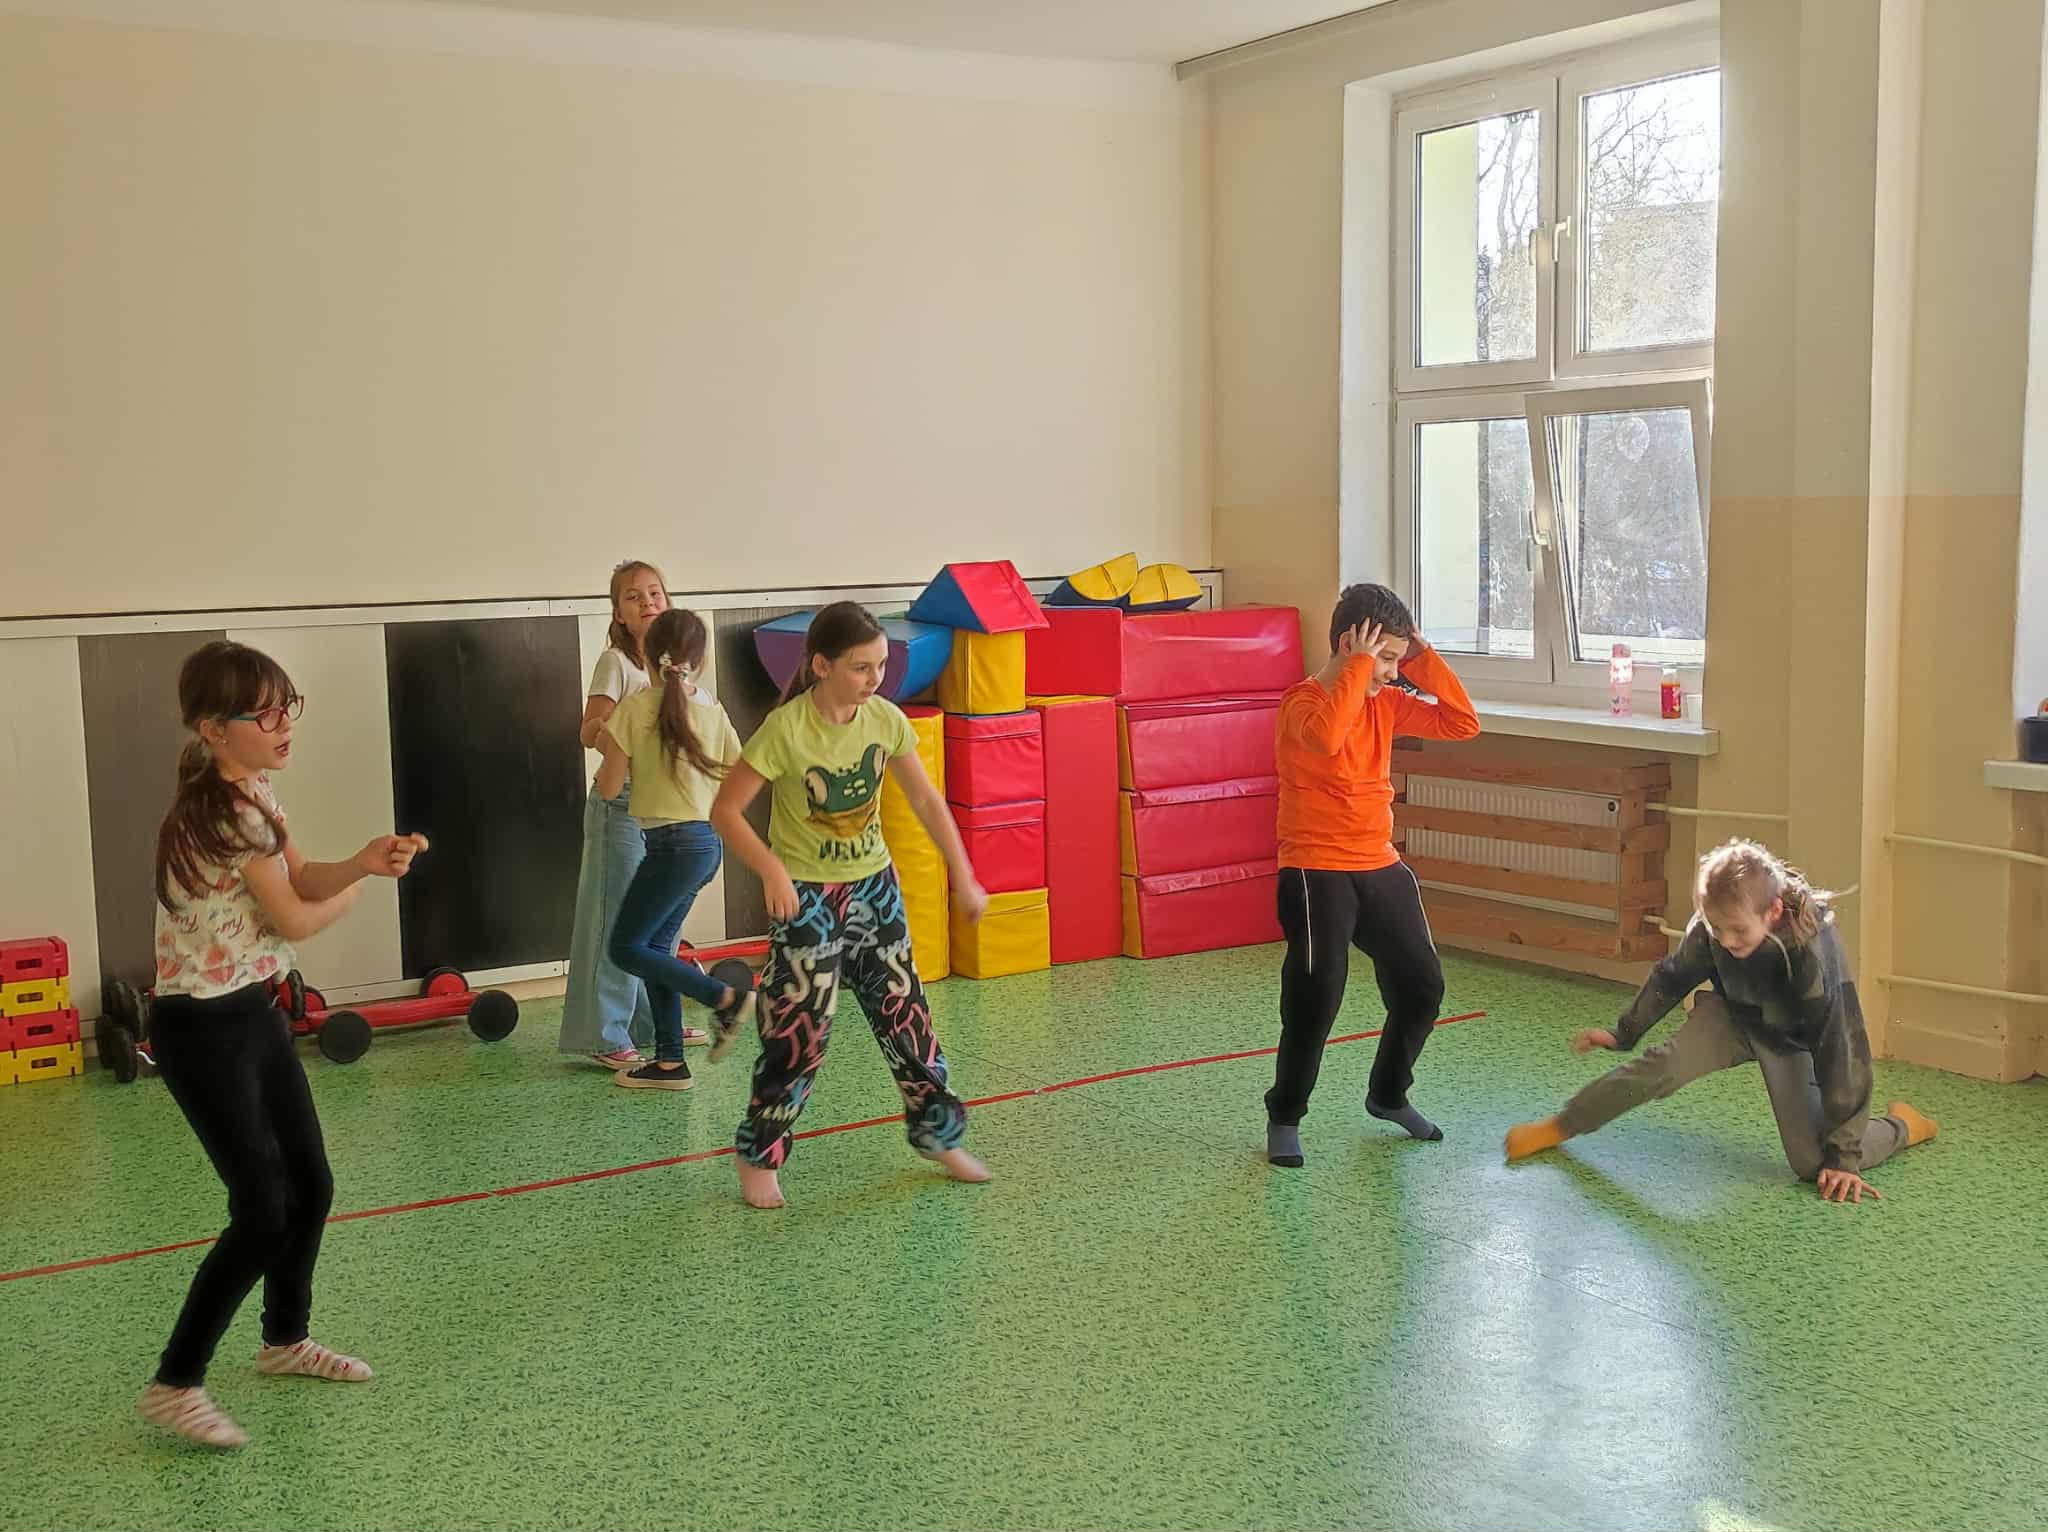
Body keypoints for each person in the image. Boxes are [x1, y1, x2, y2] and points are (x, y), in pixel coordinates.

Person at [140, 640, 427, 1448]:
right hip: (201, 1027)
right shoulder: (223, 811)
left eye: (285, 706)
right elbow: (297, 919)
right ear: (213, 728)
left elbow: (300, 880)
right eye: (262, 714)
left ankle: (284, 1340)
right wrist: (360, 892)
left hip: (251, 1008)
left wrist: (361, 862)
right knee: (262, 1211)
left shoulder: (254, 792)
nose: (282, 724)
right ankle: (175, 1383)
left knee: (311, 1182)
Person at [710, 602, 991, 1210]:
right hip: (808, 898)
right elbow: (725, 811)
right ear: (821, 665)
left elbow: (927, 801)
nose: (875, 679)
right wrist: (772, 869)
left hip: (873, 889)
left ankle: (938, 1134)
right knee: (801, 1032)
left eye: (881, 666)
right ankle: (758, 1153)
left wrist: (963, 875)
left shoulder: (885, 720)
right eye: (861, 667)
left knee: (907, 1019)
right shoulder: (786, 730)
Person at [1504, 839, 1940, 1203]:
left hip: (1794, 1039)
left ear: (1772, 912)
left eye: (1738, 931)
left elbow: (1840, 1044)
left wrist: (1844, 1158)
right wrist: (1624, 1032)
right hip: (1732, 1015)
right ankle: (1562, 1124)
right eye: (1716, 929)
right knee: (1664, 1066)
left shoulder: (1811, 950)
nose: (1726, 941)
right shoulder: (1715, 926)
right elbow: (1672, 976)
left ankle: (1904, 1125)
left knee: (1813, 1164)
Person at [1265, 583, 1480, 1168]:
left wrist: (1421, 658)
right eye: (1384, 658)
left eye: (1396, 661)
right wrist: (1362, 668)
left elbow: (1462, 723)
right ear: (1349, 646)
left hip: (1379, 864)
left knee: (1421, 987)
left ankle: (1388, 1095)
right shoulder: (1301, 703)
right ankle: (1285, 1114)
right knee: (1316, 997)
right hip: (1315, 870)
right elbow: (1328, 737)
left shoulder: (1387, 702)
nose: (1390, 673)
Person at [594, 607, 753, 1089]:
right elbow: (739, 772)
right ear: (699, 661)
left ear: (646, 654)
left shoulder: (633, 709)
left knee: (625, 948)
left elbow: (608, 788)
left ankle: (723, 997)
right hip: (705, 844)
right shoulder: (712, 709)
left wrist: (611, 749)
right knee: (655, 949)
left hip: (670, 846)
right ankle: (669, 1063)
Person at [559, 559, 704, 1068]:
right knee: (614, 916)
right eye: (634, 596)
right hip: (619, 802)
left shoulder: (678, 665)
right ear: (618, 612)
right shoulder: (616, 663)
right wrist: (628, 734)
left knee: (657, 918)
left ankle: (651, 1022)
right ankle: (604, 1033)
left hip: (666, 805)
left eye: (655, 592)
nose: (647, 602)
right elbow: (588, 730)